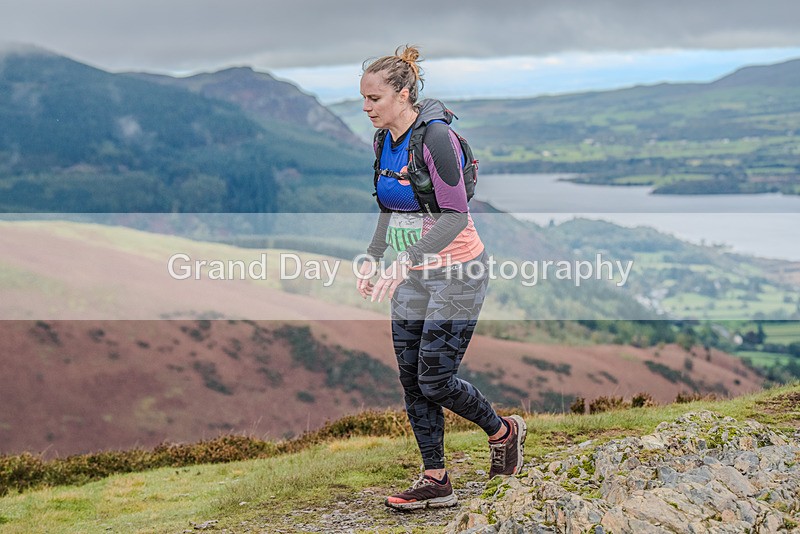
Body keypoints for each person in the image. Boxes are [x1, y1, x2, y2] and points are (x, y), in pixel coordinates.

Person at [355, 45, 527, 511]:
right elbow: (389, 208)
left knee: (436, 378)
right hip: (411, 274)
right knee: (411, 379)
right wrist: (374, 257)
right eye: (363, 100)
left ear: (403, 93)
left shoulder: (435, 140)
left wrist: (403, 260)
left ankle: (504, 431)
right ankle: (436, 479)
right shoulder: (382, 143)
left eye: (374, 99)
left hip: (459, 272)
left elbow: (454, 215)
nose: (366, 108)